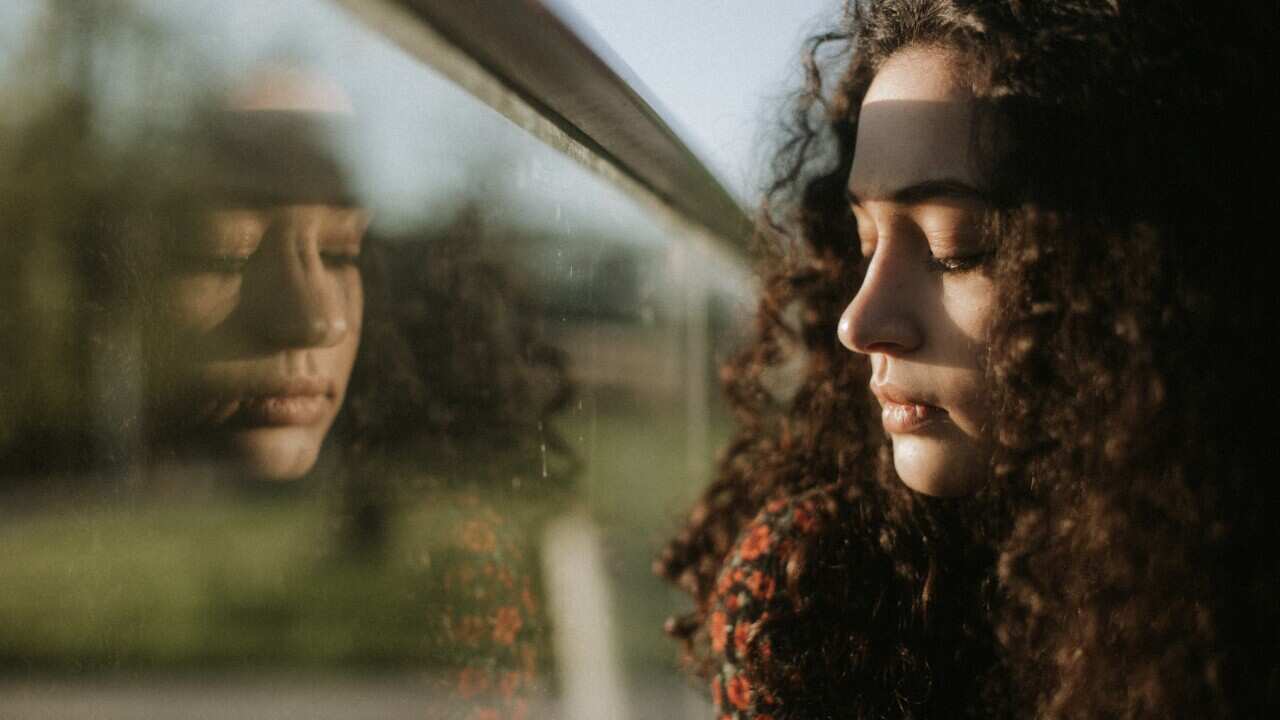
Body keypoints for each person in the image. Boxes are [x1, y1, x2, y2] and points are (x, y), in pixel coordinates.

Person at [658, 1, 1279, 718]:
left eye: (959, 248)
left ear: (1143, 280)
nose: (859, 323)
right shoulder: (816, 591)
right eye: (862, 244)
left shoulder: (1239, 602)